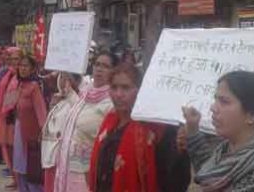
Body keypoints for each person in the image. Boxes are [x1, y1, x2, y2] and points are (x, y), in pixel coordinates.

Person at [182, 71, 254, 192]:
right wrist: (192, 129)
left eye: (224, 101)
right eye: (216, 99)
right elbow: (206, 168)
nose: (213, 108)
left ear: (252, 115)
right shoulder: (224, 150)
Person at [89, 63, 190, 192]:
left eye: (126, 88)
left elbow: (175, 179)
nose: (118, 94)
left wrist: (182, 149)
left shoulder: (156, 128)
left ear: (140, 90)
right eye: (114, 87)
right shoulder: (109, 121)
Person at [54, 51, 118, 192]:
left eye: (105, 66)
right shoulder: (85, 95)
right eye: (97, 64)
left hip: (88, 173)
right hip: (67, 168)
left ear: (114, 72)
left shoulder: (112, 103)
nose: (99, 69)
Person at [10, 55, 47, 192]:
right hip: (19, 129)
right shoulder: (19, 84)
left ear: (32, 69)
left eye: (26, 66)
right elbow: (10, 103)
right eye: (21, 65)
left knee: (29, 165)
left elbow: (41, 111)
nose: (23, 68)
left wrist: (43, 132)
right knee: (19, 163)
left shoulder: (34, 87)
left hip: (31, 133)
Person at [42, 73, 82, 192]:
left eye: (67, 78)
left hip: (61, 155)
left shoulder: (75, 101)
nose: (63, 81)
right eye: (62, 77)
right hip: (50, 151)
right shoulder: (59, 99)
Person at [0, 47, 22, 189]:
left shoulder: (22, 78)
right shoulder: (8, 74)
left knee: (16, 151)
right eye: (12, 59)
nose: (14, 62)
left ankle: (20, 181)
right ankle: (15, 179)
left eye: (17, 59)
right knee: (7, 149)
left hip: (15, 119)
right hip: (5, 117)